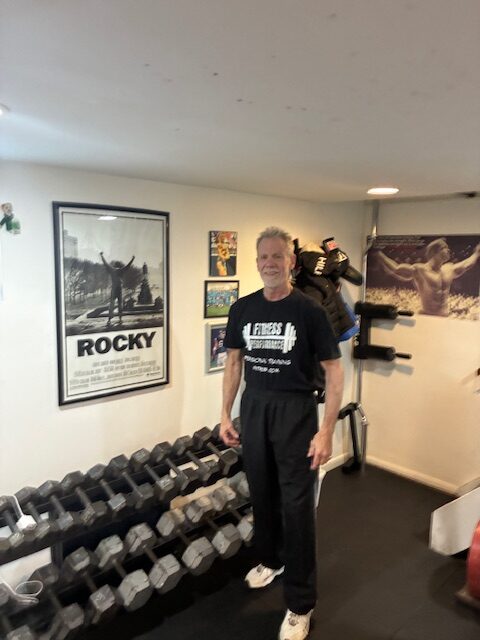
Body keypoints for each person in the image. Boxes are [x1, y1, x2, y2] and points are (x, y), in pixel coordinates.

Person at [220, 227, 344, 640]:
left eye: (277, 256)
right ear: (256, 262)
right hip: (255, 406)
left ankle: (300, 604)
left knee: (296, 506)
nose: (270, 263)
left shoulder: (309, 311)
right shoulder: (242, 308)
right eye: (264, 257)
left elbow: (334, 371)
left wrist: (326, 431)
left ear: (291, 261)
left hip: (295, 410)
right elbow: (234, 362)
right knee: (262, 493)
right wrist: (225, 414)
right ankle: (271, 560)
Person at [375, 238, 480, 316]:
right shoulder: (420, 270)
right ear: (435, 252)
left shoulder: (449, 269)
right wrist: (378, 254)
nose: (449, 250)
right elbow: (396, 269)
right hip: (426, 316)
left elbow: (466, 264)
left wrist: (476, 253)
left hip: (444, 316)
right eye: (445, 248)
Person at [100, 251, 135, 326]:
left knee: (111, 304)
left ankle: (109, 320)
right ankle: (120, 319)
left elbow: (105, 263)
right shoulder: (121, 270)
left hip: (114, 288)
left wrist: (101, 256)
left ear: (115, 265)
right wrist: (132, 259)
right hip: (119, 289)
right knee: (120, 304)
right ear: (119, 266)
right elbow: (128, 266)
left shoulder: (112, 270)